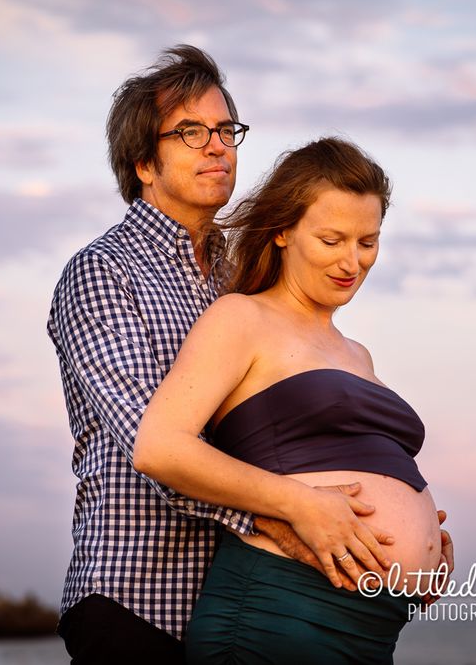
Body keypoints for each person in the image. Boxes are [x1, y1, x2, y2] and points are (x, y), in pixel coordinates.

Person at [47, 46, 430, 664]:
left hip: (242, 596)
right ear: (144, 162)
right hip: (140, 601)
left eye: (226, 130)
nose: (218, 146)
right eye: (191, 133)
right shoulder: (103, 273)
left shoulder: (237, 281)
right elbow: (155, 449)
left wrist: (397, 543)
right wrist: (301, 517)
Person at [133, 137, 445, 664]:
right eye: (331, 239)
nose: (353, 261)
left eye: (368, 242)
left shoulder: (358, 353)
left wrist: (423, 547)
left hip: (368, 630)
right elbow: (159, 448)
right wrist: (303, 504)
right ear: (282, 231)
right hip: (276, 614)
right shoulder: (242, 318)